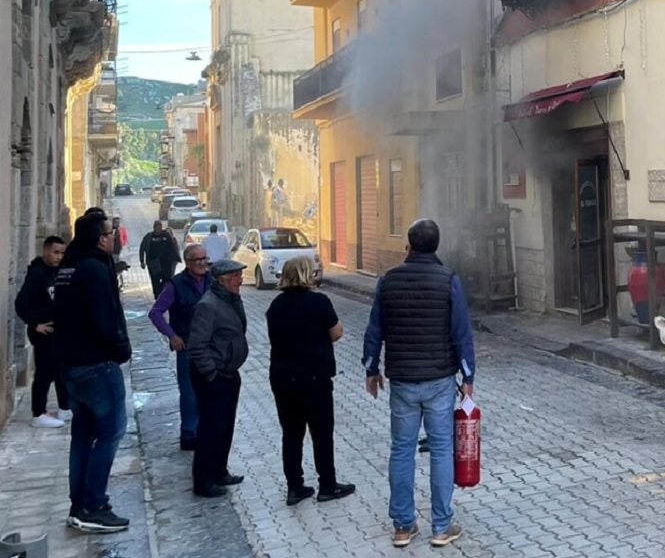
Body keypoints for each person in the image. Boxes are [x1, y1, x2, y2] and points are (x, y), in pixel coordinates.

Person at [363, 219, 475, 549]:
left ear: (408, 245)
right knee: (441, 450)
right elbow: (461, 332)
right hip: (440, 380)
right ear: (437, 246)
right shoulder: (448, 280)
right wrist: (468, 376)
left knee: (401, 450)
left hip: (402, 381)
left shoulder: (388, 281)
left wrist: (372, 369)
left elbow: (374, 329)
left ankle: (402, 526)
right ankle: (441, 526)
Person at [53, 213, 131, 533]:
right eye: (111, 234)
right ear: (101, 239)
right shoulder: (95, 269)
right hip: (96, 365)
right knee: (112, 430)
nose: (114, 238)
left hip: (71, 365)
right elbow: (104, 319)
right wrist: (120, 347)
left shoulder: (67, 268)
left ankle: (79, 504)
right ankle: (94, 503)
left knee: (83, 435)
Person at [266, 256, 355, 506]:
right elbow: (336, 333)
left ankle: (295, 487)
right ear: (307, 274)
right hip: (314, 377)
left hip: (283, 377)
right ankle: (327, 484)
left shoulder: (276, 306)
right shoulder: (318, 302)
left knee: (292, 433)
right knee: (321, 432)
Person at [188, 259, 249, 498]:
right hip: (214, 376)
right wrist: (211, 373)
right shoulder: (209, 305)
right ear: (222, 280)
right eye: (235, 276)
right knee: (210, 428)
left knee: (225, 425)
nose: (240, 280)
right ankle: (203, 481)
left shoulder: (232, 299)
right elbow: (197, 345)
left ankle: (219, 470)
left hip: (229, 372)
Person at [148, 244, 213, 451]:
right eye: (197, 260)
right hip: (187, 346)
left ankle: (206, 430)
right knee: (189, 391)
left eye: (204, 258)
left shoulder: (213, 282)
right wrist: (172, 336)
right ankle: (188, 433)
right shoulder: (175, 285)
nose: (202, 263)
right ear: (187, 262)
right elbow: (155, 313)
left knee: (210, 389)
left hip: (210, 346)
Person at [15, 236, 70, 428]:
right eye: (56, 252)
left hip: (58, 332)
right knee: (44, 373)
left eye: (62, 253)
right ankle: (38, 413)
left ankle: (65, 407)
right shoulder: (37, 274)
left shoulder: (57, 272)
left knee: (61, 371)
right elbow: (21, 303)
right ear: (46, 251)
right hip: (44, 333)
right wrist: (35, 324)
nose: (59, 257)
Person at [140, 221, 182, 298]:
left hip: (166, 263)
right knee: (155, 281)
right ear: (154, 227)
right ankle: (157, 296)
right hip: (153, 263)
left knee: (166, 280)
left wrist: (175, 259)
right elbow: (142, 248)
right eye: (156, 226)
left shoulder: (166, 236)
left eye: (159, 226)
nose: (158, 228)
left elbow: (173, 247)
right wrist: (142, 261)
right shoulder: (149, 237)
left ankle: (165, 295)